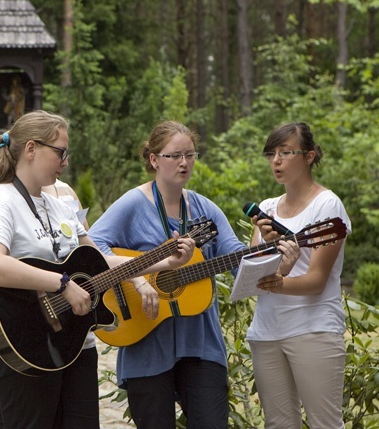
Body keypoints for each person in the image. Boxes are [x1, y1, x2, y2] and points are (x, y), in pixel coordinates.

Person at [0, 110, 195, 429]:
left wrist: (163, 261)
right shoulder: (0, 202)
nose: (66, 161)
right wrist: (62, 283)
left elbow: (97, 261)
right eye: (60, 152)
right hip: (24, 339)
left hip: (75, 342)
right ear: (31, 149)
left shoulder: (59, 205)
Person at [88, 120, 250, 429]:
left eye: (190, 154)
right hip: (146, 340)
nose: (184, 162)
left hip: (201, 343)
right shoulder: (133, 204)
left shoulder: (205, 209)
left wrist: (266, 250)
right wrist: (135, 276)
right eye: (175, 155)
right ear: (153, 159)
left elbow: (235, 258)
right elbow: (91, 247)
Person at [247, 122, 351, 429]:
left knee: (325, 424)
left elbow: (317, 281)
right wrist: (268, 251)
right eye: (271, 153)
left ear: (308, 157)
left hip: (314, 329)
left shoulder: (327, 204)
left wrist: (279, 281)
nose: (276, 161)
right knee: (278, 424)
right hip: (266, 332)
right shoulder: (266, 209)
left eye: (285, 152)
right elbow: (256, 275)